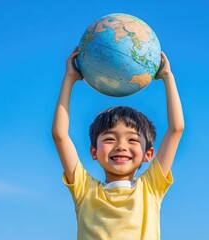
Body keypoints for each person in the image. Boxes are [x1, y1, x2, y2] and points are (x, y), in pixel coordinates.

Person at [52, 47, 184, 239]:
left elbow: (176, 129)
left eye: (132, 139)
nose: (121, 146)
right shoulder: (85, 190)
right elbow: (60, 135)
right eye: (110, 139)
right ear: (94, 151)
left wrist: (168, 77)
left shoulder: (150, 187)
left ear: (148, 154)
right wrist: (69, 79)